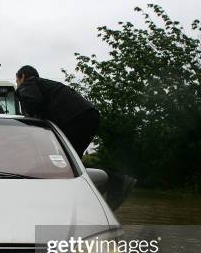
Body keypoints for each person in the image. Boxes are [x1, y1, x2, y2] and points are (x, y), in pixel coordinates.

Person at [14, 65, 135, 210]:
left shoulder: (28, 83)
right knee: (71, 164)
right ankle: (100, 189)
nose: (17, 84)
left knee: (65, 163)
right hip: (87, 116)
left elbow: (34, 103)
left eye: (17, 80)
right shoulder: (45, 86)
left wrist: (28, 119)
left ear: (22, 76)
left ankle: (116, 181)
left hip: (76, 119)